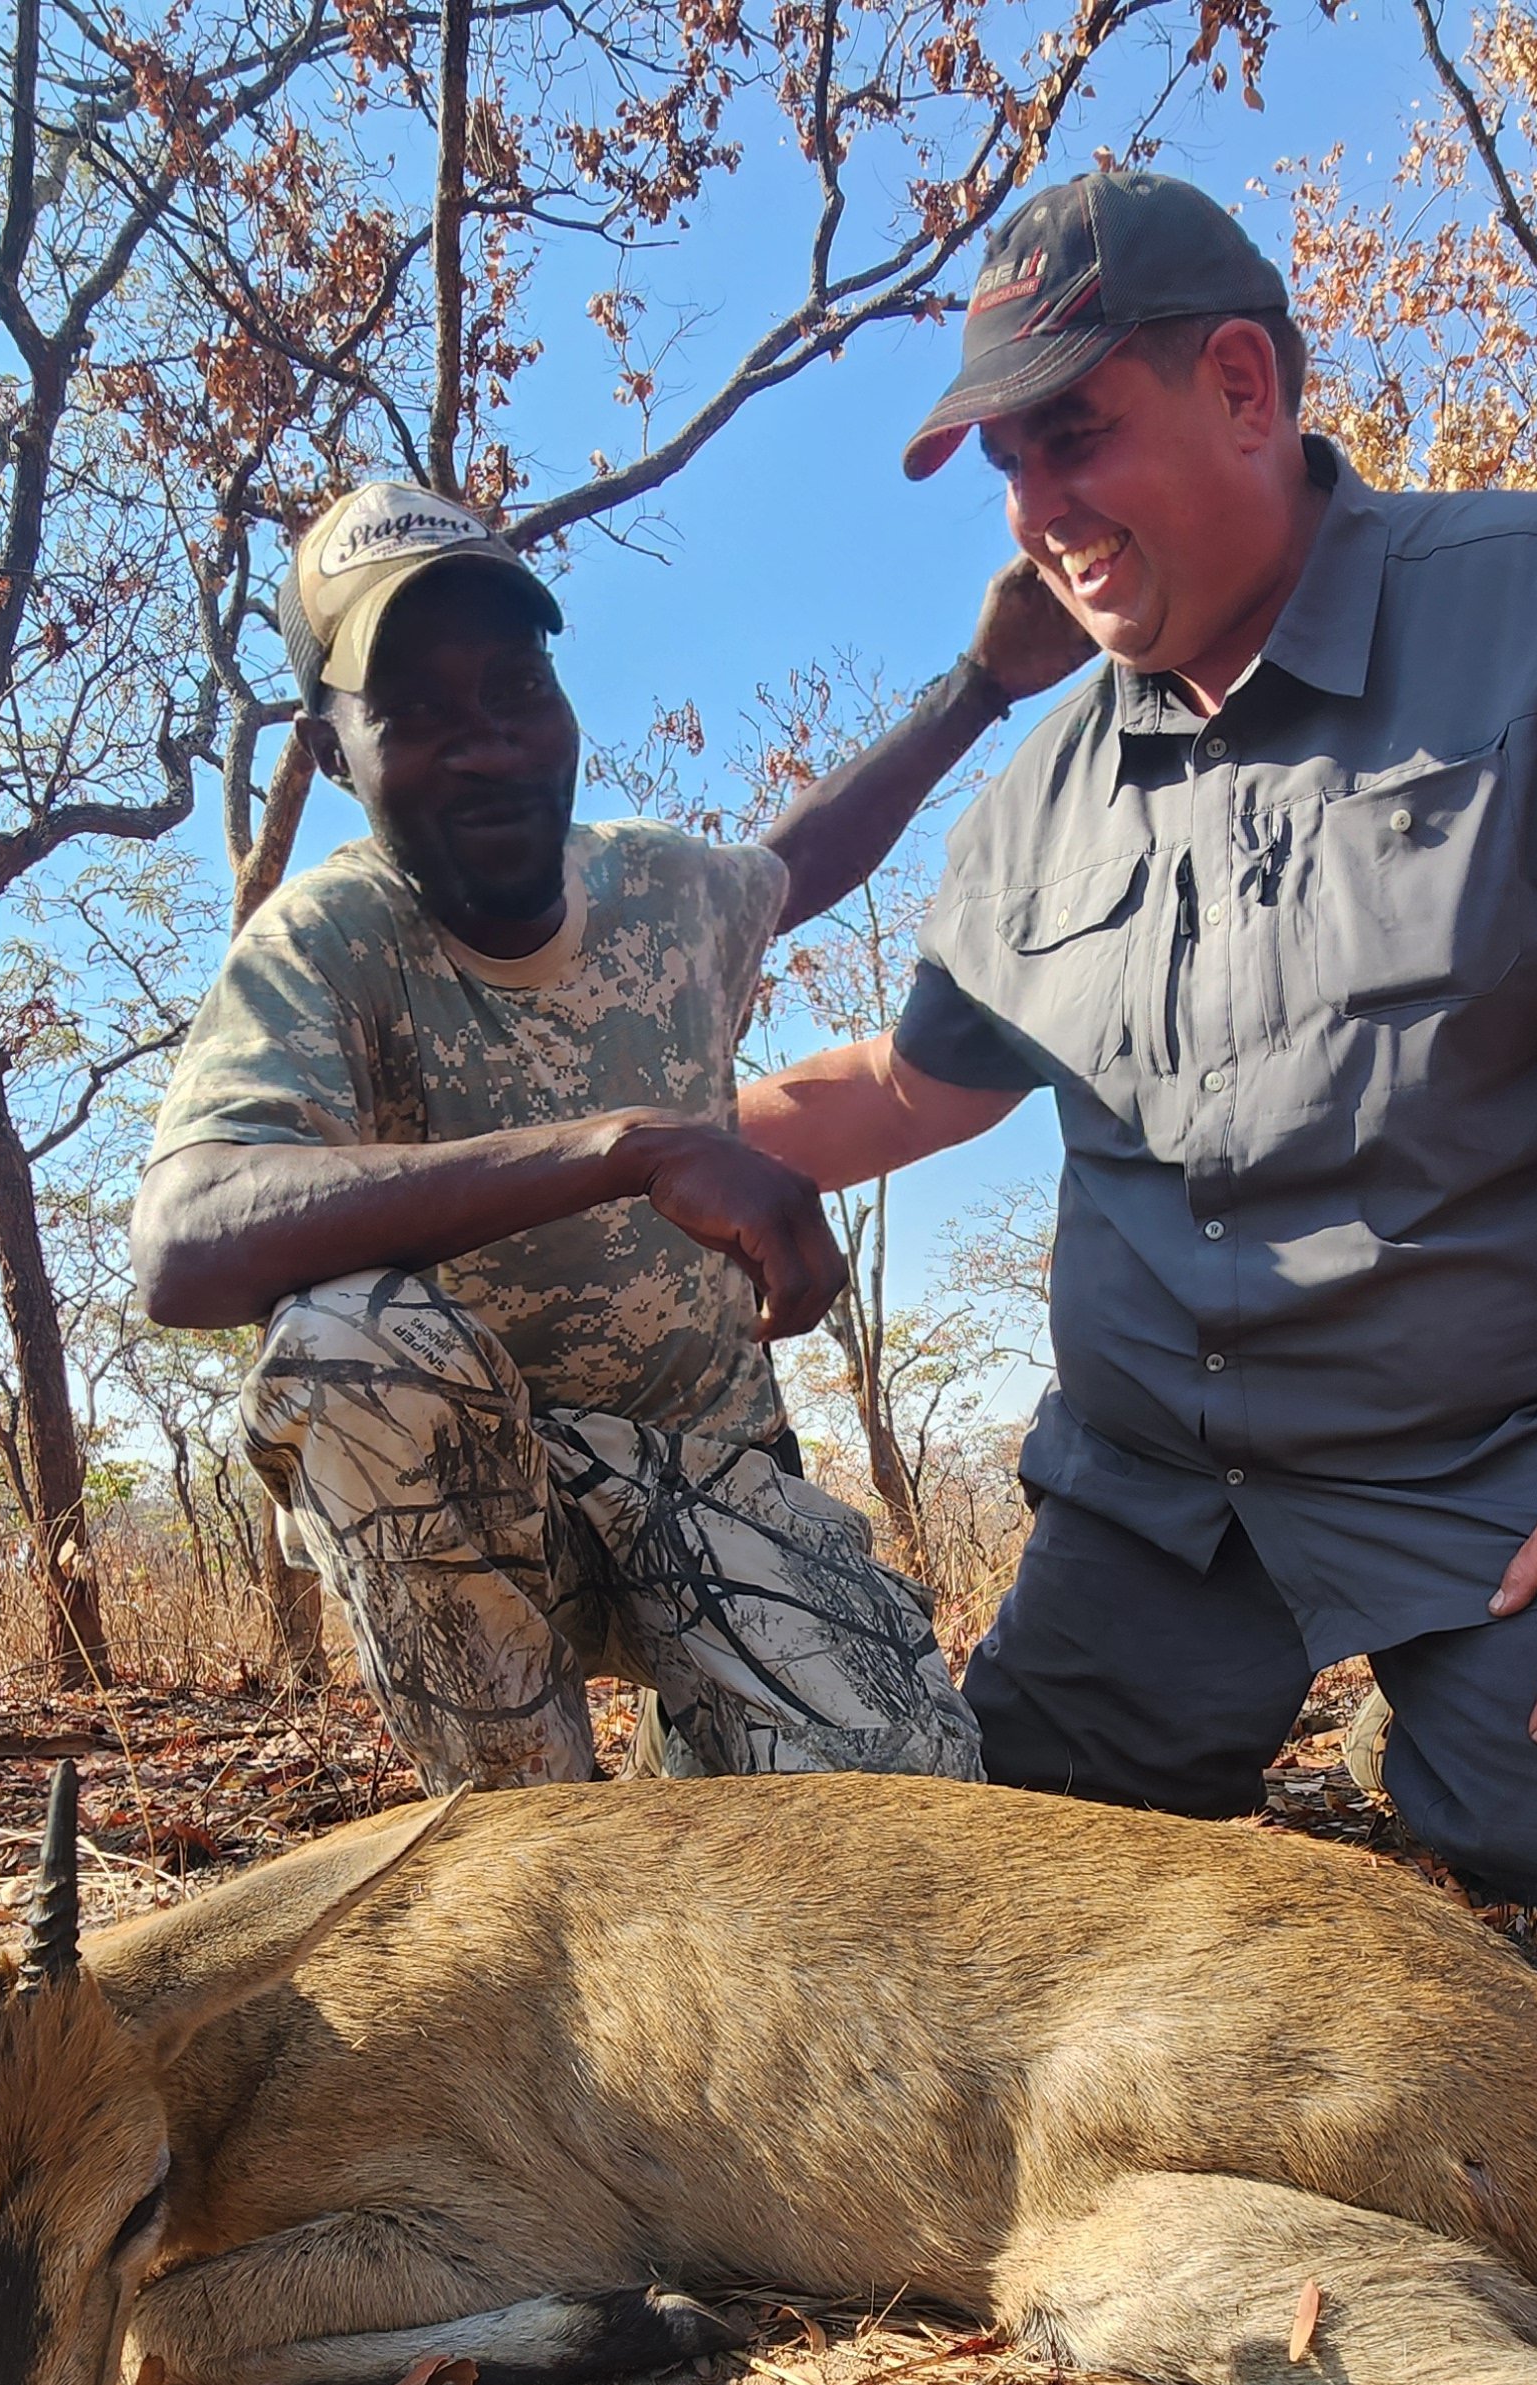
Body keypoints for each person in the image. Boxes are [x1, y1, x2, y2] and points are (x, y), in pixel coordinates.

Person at [740, 170, 1537, 1930]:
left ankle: (1448, 1730)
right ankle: (1314, 1713)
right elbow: (912, 1087)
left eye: (1077, 436)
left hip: (1506, 1469)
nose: (1041, 509)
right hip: (1153, 1510)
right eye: (1012, 469)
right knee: (1018, 1869)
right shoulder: (1036, 796)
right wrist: (614, 1146)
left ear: (1241, 386)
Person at [131, 481, 1074, 1792]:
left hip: (709, 1480)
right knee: (346, 1353)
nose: (489, 746)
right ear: (333, 751)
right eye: (418, 712)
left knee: (907, 1822)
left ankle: (691, 1776)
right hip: (477, 1505)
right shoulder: (323, 943)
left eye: (515, 689)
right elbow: (183, 1243)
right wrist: (627, 1146)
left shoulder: (662, 887)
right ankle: (538, 1864)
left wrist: (982, 683)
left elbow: (801, 861)